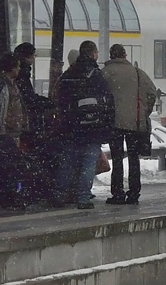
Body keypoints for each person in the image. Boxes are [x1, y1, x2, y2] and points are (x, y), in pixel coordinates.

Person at [55, 41, 114, 209]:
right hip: (93, 127)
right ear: (93, 53)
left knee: (68, 161)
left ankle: (60, 195)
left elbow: (60, 100)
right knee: (88, 163)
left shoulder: (69, 74)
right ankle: (83, 198)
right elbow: (107, 101)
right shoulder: (96, 75)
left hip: (71, 126)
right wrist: (106, 125)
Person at [100, 43, 158, 205]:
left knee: (117, 159)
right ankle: (134, 192)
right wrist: (143, 112)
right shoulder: (138, 73)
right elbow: (151, 93)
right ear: (125, 55)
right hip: (135, 122)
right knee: (133, 158)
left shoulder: (105, 73)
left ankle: (117, 193)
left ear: (111, 55)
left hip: (114, 123)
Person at [13, 42, 57, 200]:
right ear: (28, 56)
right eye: (33, 55)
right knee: (35, 155)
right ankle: (34, 189)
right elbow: (29, 99)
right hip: (27, 123)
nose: (34, 58)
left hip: (23, 123)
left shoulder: (19, 74)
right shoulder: (23, 74)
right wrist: (48, 103)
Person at [0, 52, 27, 139]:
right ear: (12, 68)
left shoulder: (13, 83)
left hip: (14, 128)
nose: (19, 69)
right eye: (18, 66)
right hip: (5, 129)